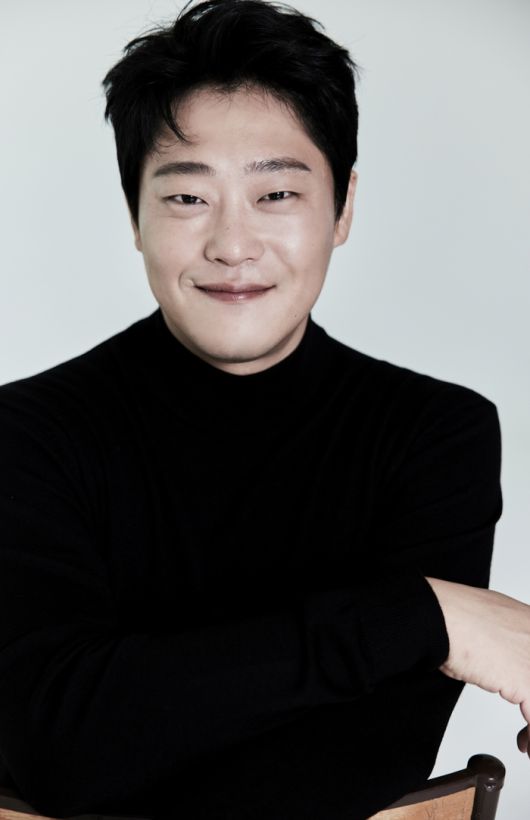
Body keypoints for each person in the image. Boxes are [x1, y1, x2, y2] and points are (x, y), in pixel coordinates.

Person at [0, 1, 528, 818]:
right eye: (187, 198)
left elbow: (357, 767)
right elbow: (55, 752)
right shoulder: (28, 433)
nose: (232, 245)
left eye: (276, 192)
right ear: (134, 214)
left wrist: (137, 713)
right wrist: (425, 615)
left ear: (343, 208)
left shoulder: (433, 437)